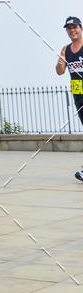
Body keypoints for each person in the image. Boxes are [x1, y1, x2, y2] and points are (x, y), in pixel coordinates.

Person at [55, 15, 83, 182]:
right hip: (78, 94)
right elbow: (60, 71)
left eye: (75, 27)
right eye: (69, 28)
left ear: (81, 28)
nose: (72, 30)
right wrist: (60, 62)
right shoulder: (66, 49)